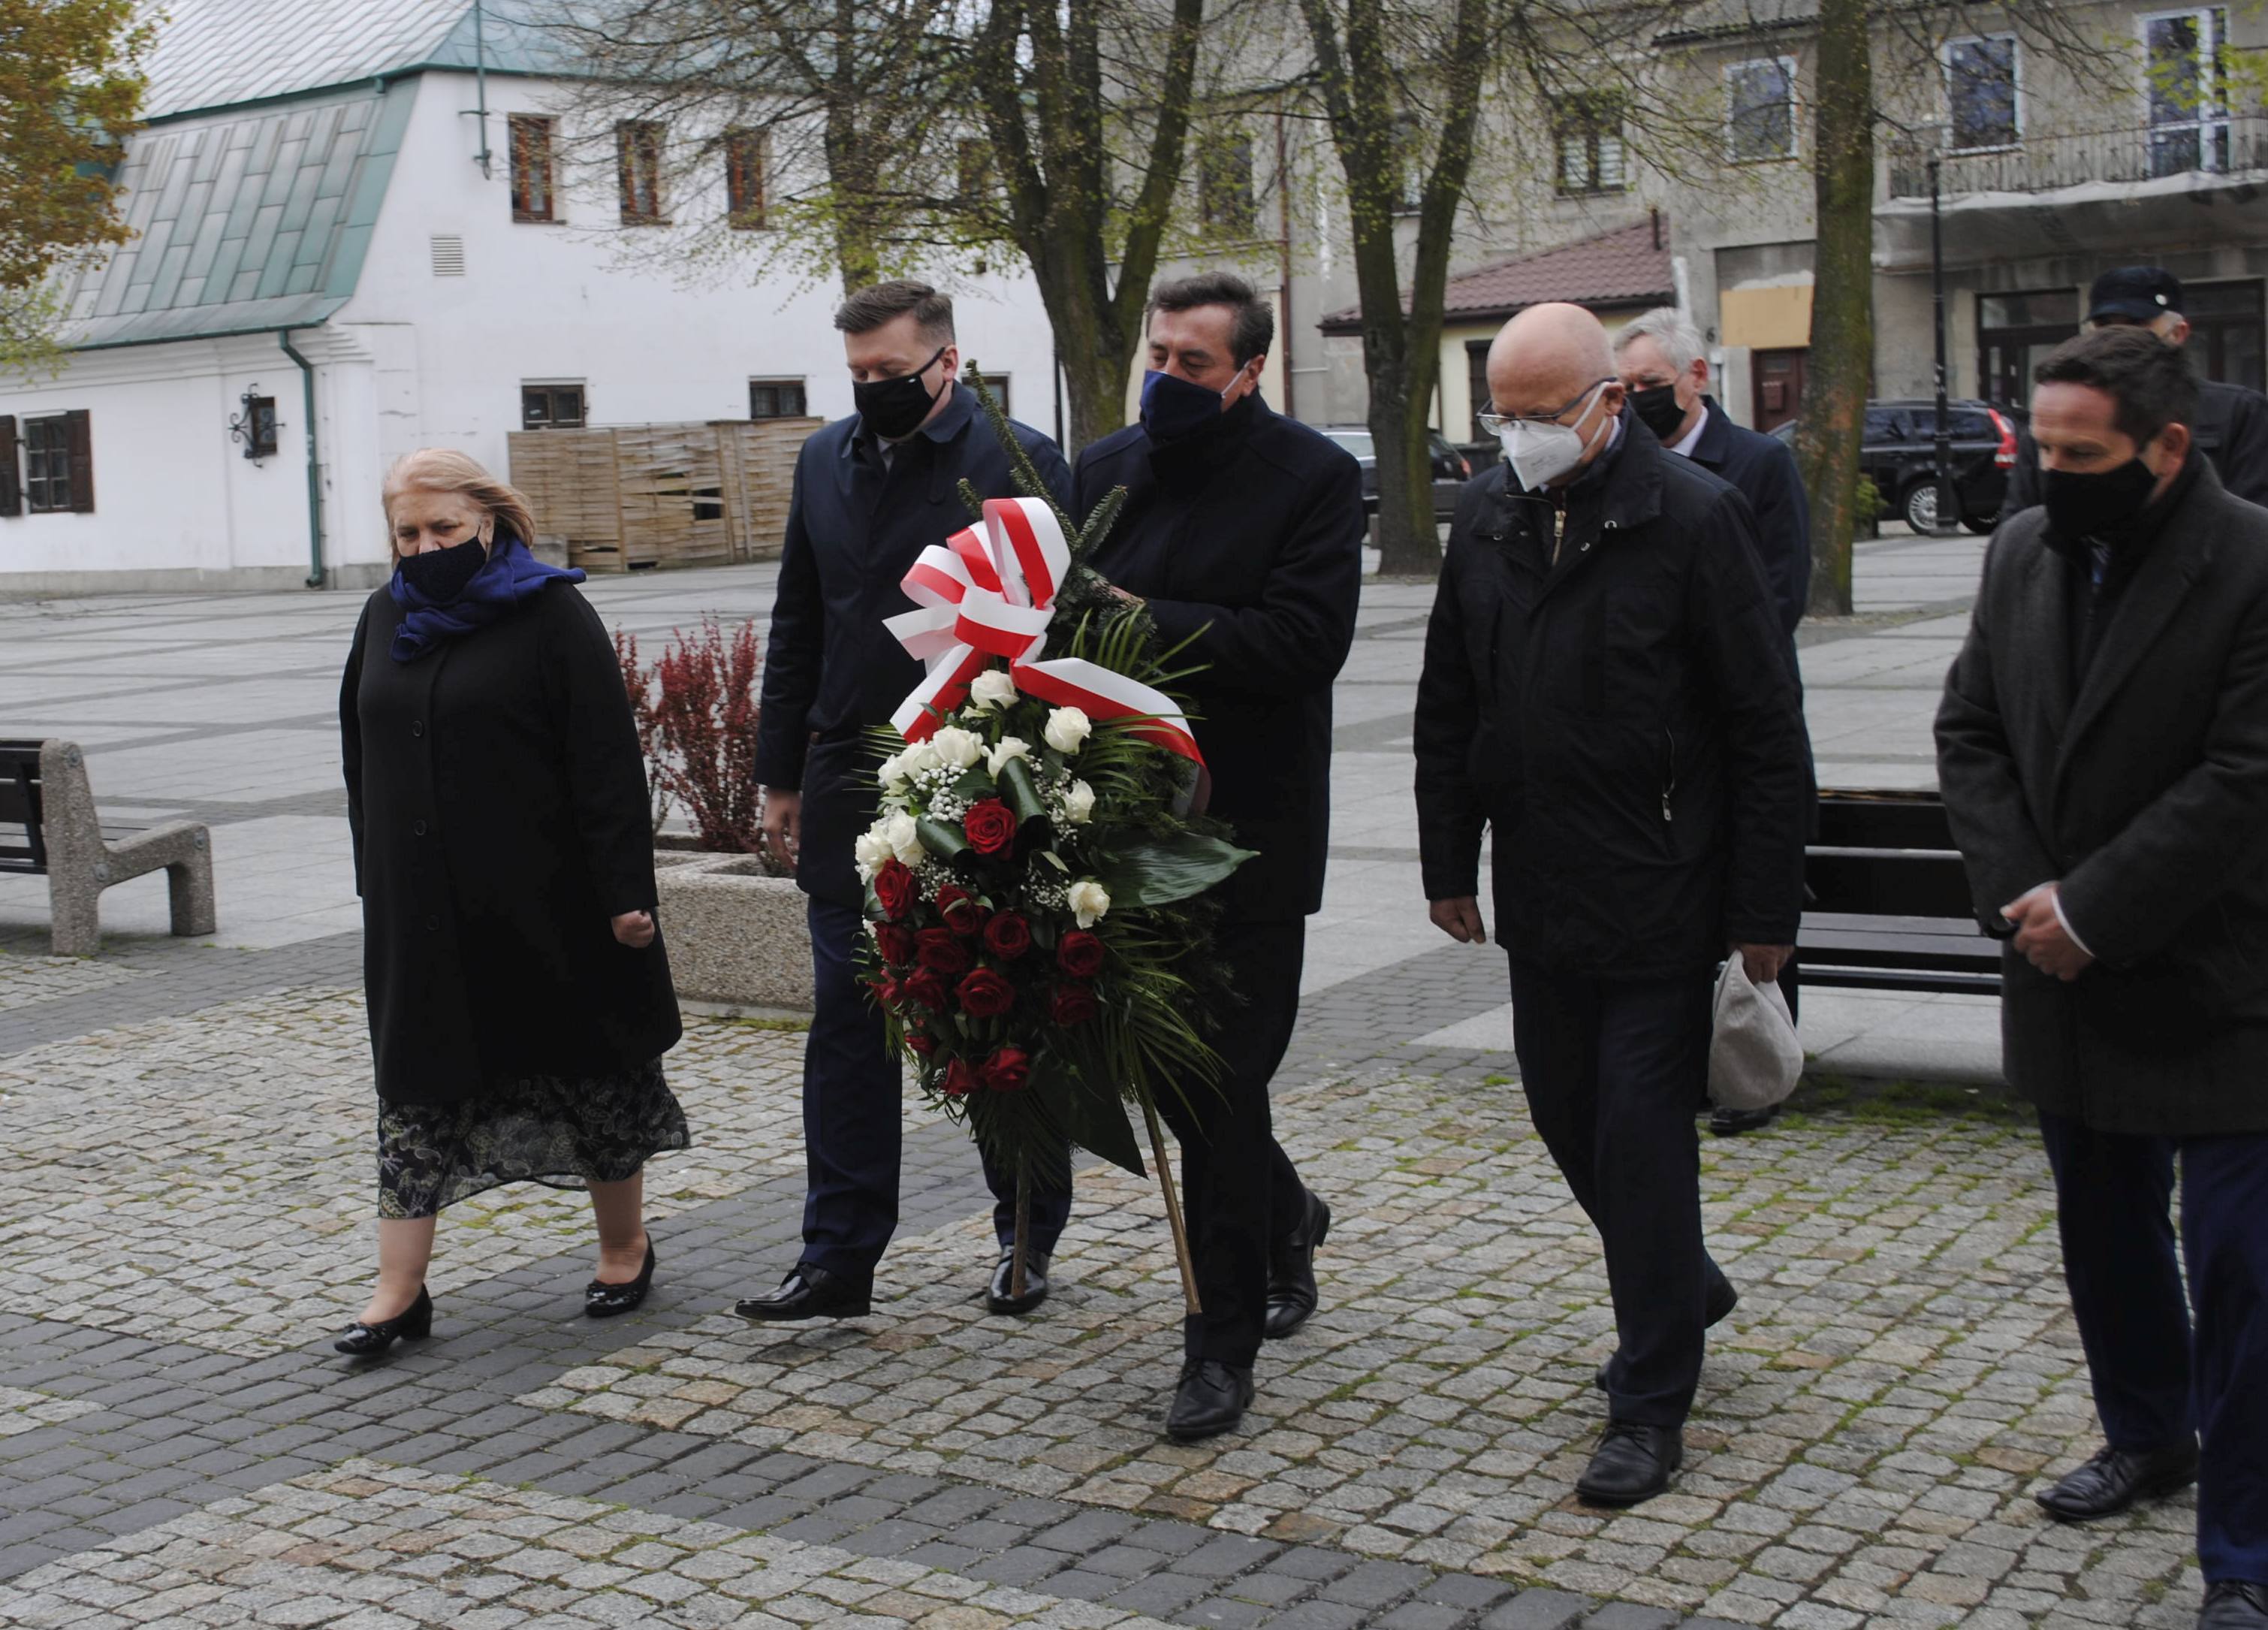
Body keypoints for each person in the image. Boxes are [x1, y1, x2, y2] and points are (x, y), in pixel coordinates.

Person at [1414, 303, 1810, 1505]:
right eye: (1505, 415)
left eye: (1543, 415)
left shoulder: (1693, 517)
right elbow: (1448, 698)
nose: (1522, 436)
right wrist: (1447, 862)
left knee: (1639, 1138)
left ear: (1609, 402)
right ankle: (1682, 1280)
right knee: (1562, 1113)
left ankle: (1651, 1399)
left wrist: (1764, 911)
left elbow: (1763, 725)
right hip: (1542, 884)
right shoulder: (1487, 516)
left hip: (1662, 888)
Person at [1937, 325, 2268, 1630]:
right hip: (2063, 976)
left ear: (2169, 448)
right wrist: (2032, 902)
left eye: (2085, 454)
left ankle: (2246, 1550)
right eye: (2043, 449)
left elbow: (2248, 776)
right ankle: (2147, 1429)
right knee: (2106, 1236)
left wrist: (2095, 907)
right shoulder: (2023, 548)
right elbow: (1973, 727)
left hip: (2224, 981)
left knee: (2243, 1270)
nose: (2054, 473)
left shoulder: (2251, 563)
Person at [737, 281, 1076, 1325]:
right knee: (848, 1019)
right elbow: (801, 615)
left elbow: (1055, 631)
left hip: (974, 773)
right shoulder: (823, 459)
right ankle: (838, 1255)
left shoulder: (1018, 462)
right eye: (860, 376)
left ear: (948, 361)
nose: (875, 391)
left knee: (987, 1000)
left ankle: (1025, 1230)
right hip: (847, 773)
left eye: (893, 372)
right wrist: (779, 769)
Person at [1072, 271, 1362, 1441]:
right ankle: (1288, 1213)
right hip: (1118, 833)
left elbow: (1303, 643)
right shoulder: (1102, 470)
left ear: (1250, 371)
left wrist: (1134, 614)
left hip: (1247, 839)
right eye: (1159, 354)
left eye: (1195, 364)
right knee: (1184, 1086)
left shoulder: (1316, 477)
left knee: (1223, 1085)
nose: (1168, 380)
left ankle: (1218, 1345)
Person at [337, 449, 687, 1356]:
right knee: (417, 1092)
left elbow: (606, 762)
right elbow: (359, 754)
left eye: (443, 528)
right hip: (422, 914)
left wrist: (624, 894)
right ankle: (398, 1289)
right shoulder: (382, 616)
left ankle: (623, 1248)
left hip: (548, 904)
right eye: (408, 533)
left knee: (592, 1077)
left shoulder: (550, 613)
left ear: (489, 521)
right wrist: (373, 873)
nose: (425, 546)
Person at [1615, 306, 1816, 1138]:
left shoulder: (1759, 464)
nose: (1635, 403)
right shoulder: (1618, 464)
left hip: (1732, 712)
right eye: (1623, 390)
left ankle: (1757, 1068)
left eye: (1650, 388)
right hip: (1654, 738)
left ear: (1696, 378)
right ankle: (1692, 1061)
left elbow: (1777, 594)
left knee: (1755, 884)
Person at [2004, 267, 2268, 512]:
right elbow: (2020, 522)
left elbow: (2253, 525)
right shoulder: (2056, 417)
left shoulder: (2239, 412)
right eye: (2105, 325)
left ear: (2178, 333)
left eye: (2137, 324)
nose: (2119, 337)